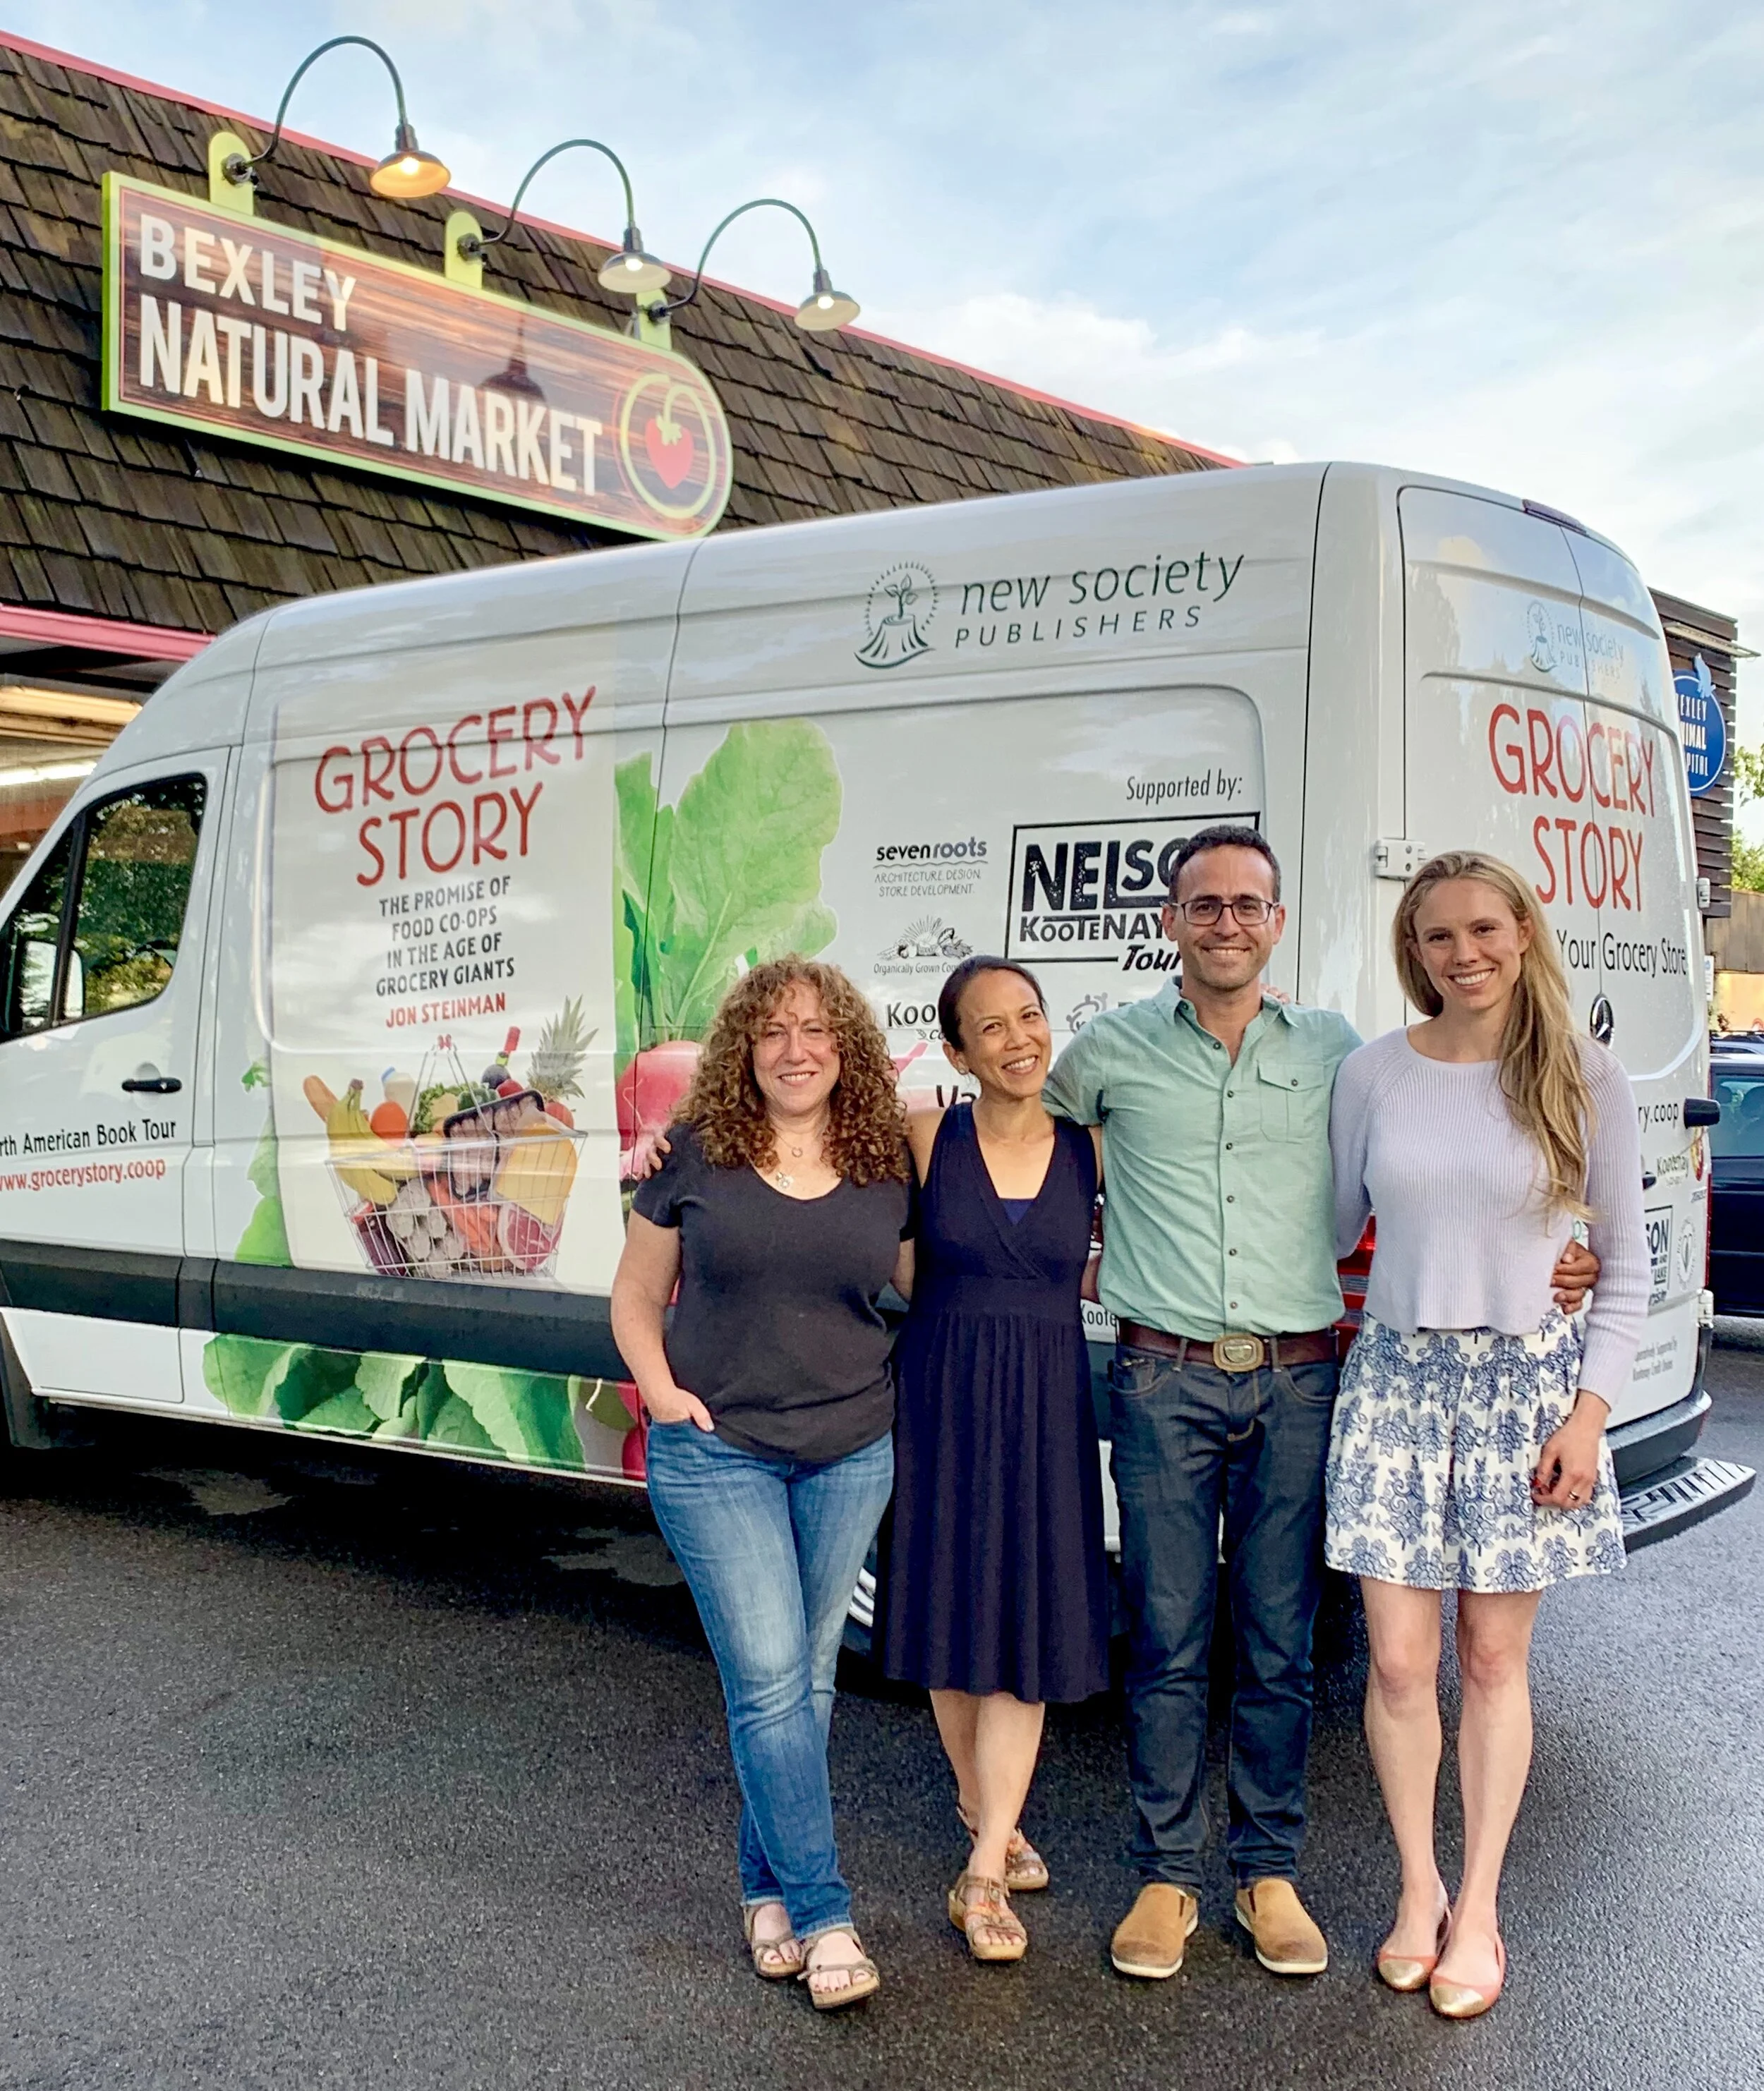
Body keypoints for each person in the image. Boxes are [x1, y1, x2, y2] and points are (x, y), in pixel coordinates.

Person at [1042, 822, 1597, 1985]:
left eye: (1249, 905)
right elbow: (1012, 1140)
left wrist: (1561, 1249)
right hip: (1159, 1376)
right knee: (1168, 1636)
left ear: (1278, 923)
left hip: (1305, 1378)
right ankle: (1165, 1876)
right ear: (1171, 923)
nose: (1228, 923)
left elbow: (1370, 1206)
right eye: (1205, 905)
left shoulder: (1344, 1054)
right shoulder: (1108, 1052)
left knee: (1284, 1642)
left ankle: (1269, 1872)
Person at [1327, 851, 1645, 2019]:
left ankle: (1486, 1908)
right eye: (1436, 937)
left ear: (1524, 932)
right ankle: (1419, 1892)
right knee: (1401, 1664)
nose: (1463, 954)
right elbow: (1328, 1226)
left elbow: (1627, 1269)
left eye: (1483, 929)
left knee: (1495, 1662)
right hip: (1398, 1382)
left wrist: (1590, 1414)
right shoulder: (1371, 1076)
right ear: (1413, 953)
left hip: (1526, 1394)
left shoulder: (1581, 1076)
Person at [610, 958, 914, 2012]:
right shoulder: (693, 1151)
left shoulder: (887, 1158)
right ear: (745, 1047)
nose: (796, 1049)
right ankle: (827, 1912)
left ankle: (763, 1890)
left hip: (850, 1448)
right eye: (774, 1030)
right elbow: (638, 1296)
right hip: (717, 1447)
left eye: (818, 1030)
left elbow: (932, 1276)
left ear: (849, 1049)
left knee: (805, 1685)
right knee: (776, 1680)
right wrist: (660, 1393)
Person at [881, 955, 1111, 1964]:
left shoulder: (1091, 1149)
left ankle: (979, 1878)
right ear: (956, 1050)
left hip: (1049, 1401)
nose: (1021, 1039)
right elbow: (855, 1226)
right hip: (940, 1393)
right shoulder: (925, 1137)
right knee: (947, 1617)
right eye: (994, 1026)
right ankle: (990, 1815)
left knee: (1025, 1623)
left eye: (1031, 1016)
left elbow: (1133, 1257)